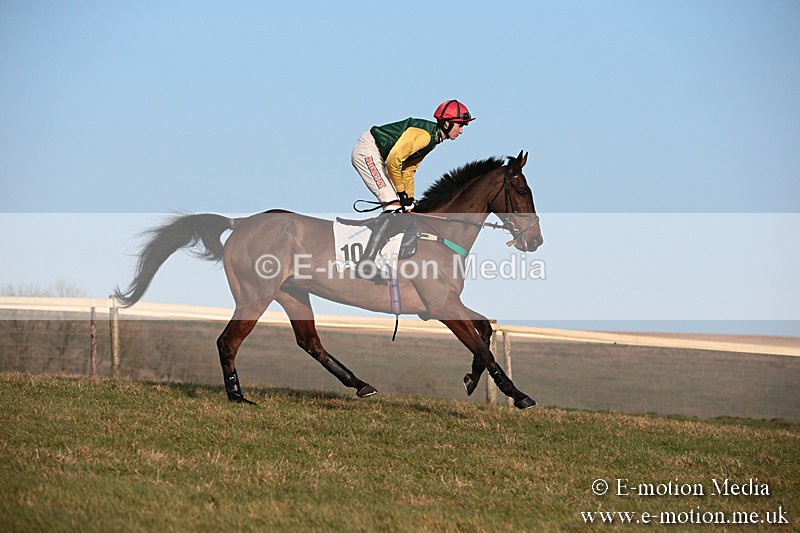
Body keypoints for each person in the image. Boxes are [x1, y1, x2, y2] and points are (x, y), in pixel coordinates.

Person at [350, 99, 475, 283]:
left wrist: (410, 199)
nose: (461, 130)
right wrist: (401, 196)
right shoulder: (425, 136)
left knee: (402, 210)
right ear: (447, 123)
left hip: (378, 155)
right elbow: (394, 161)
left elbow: (408, 170)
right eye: (460, 125)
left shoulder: (433, 140)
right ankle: (366, 263)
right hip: (368, 151)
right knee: (393, 207)